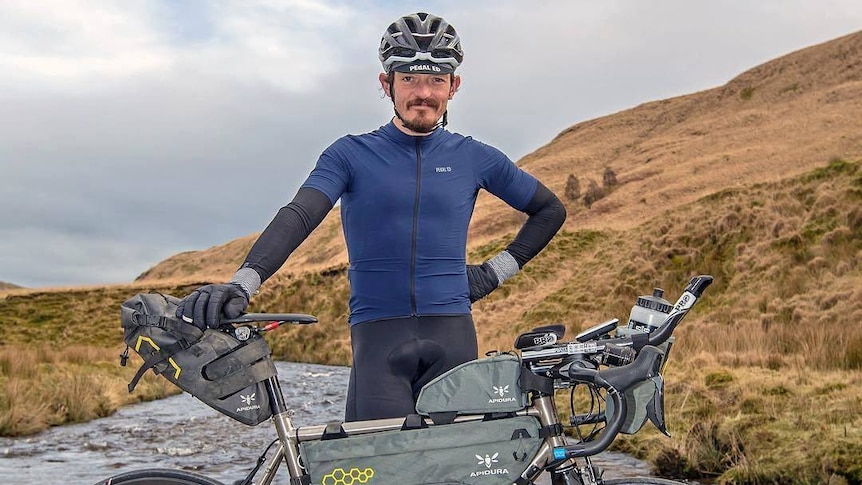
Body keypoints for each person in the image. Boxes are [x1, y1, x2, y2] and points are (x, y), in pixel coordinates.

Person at [175, 12, 566, 422]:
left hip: (452, 334)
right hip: (379, 339)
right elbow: (300, 215)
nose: (423, 93)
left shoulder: (475, 157)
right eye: (410, 79)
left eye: (436, 80)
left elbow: (549, 211)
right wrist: (244, 282)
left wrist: (492, 273)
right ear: (387, 84)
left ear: (454, 86)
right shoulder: (350, 154)